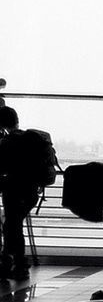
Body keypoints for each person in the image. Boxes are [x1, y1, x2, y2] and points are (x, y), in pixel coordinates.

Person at [0, 106, 53, 282]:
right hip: (31, 191)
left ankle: (18, 264)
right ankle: (10, 262)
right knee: (12, 225)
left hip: (12, 190)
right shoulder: (32, 140)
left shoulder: (7, 142)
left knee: (12, 225)